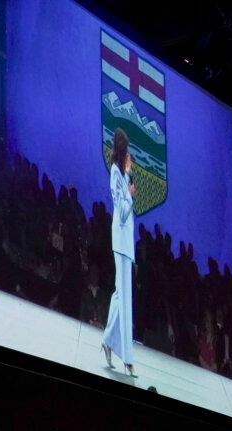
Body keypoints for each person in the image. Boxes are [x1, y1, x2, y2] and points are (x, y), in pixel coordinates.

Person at [102, 127, 138, 378]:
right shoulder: (116, 173)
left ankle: (107, 341)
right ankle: (128, 360)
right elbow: (122, 211)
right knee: (125, 298)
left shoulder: (124, 176)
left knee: (119, 294)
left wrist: (129, 183)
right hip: (120, 240)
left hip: (126, 243)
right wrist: (130, 194)